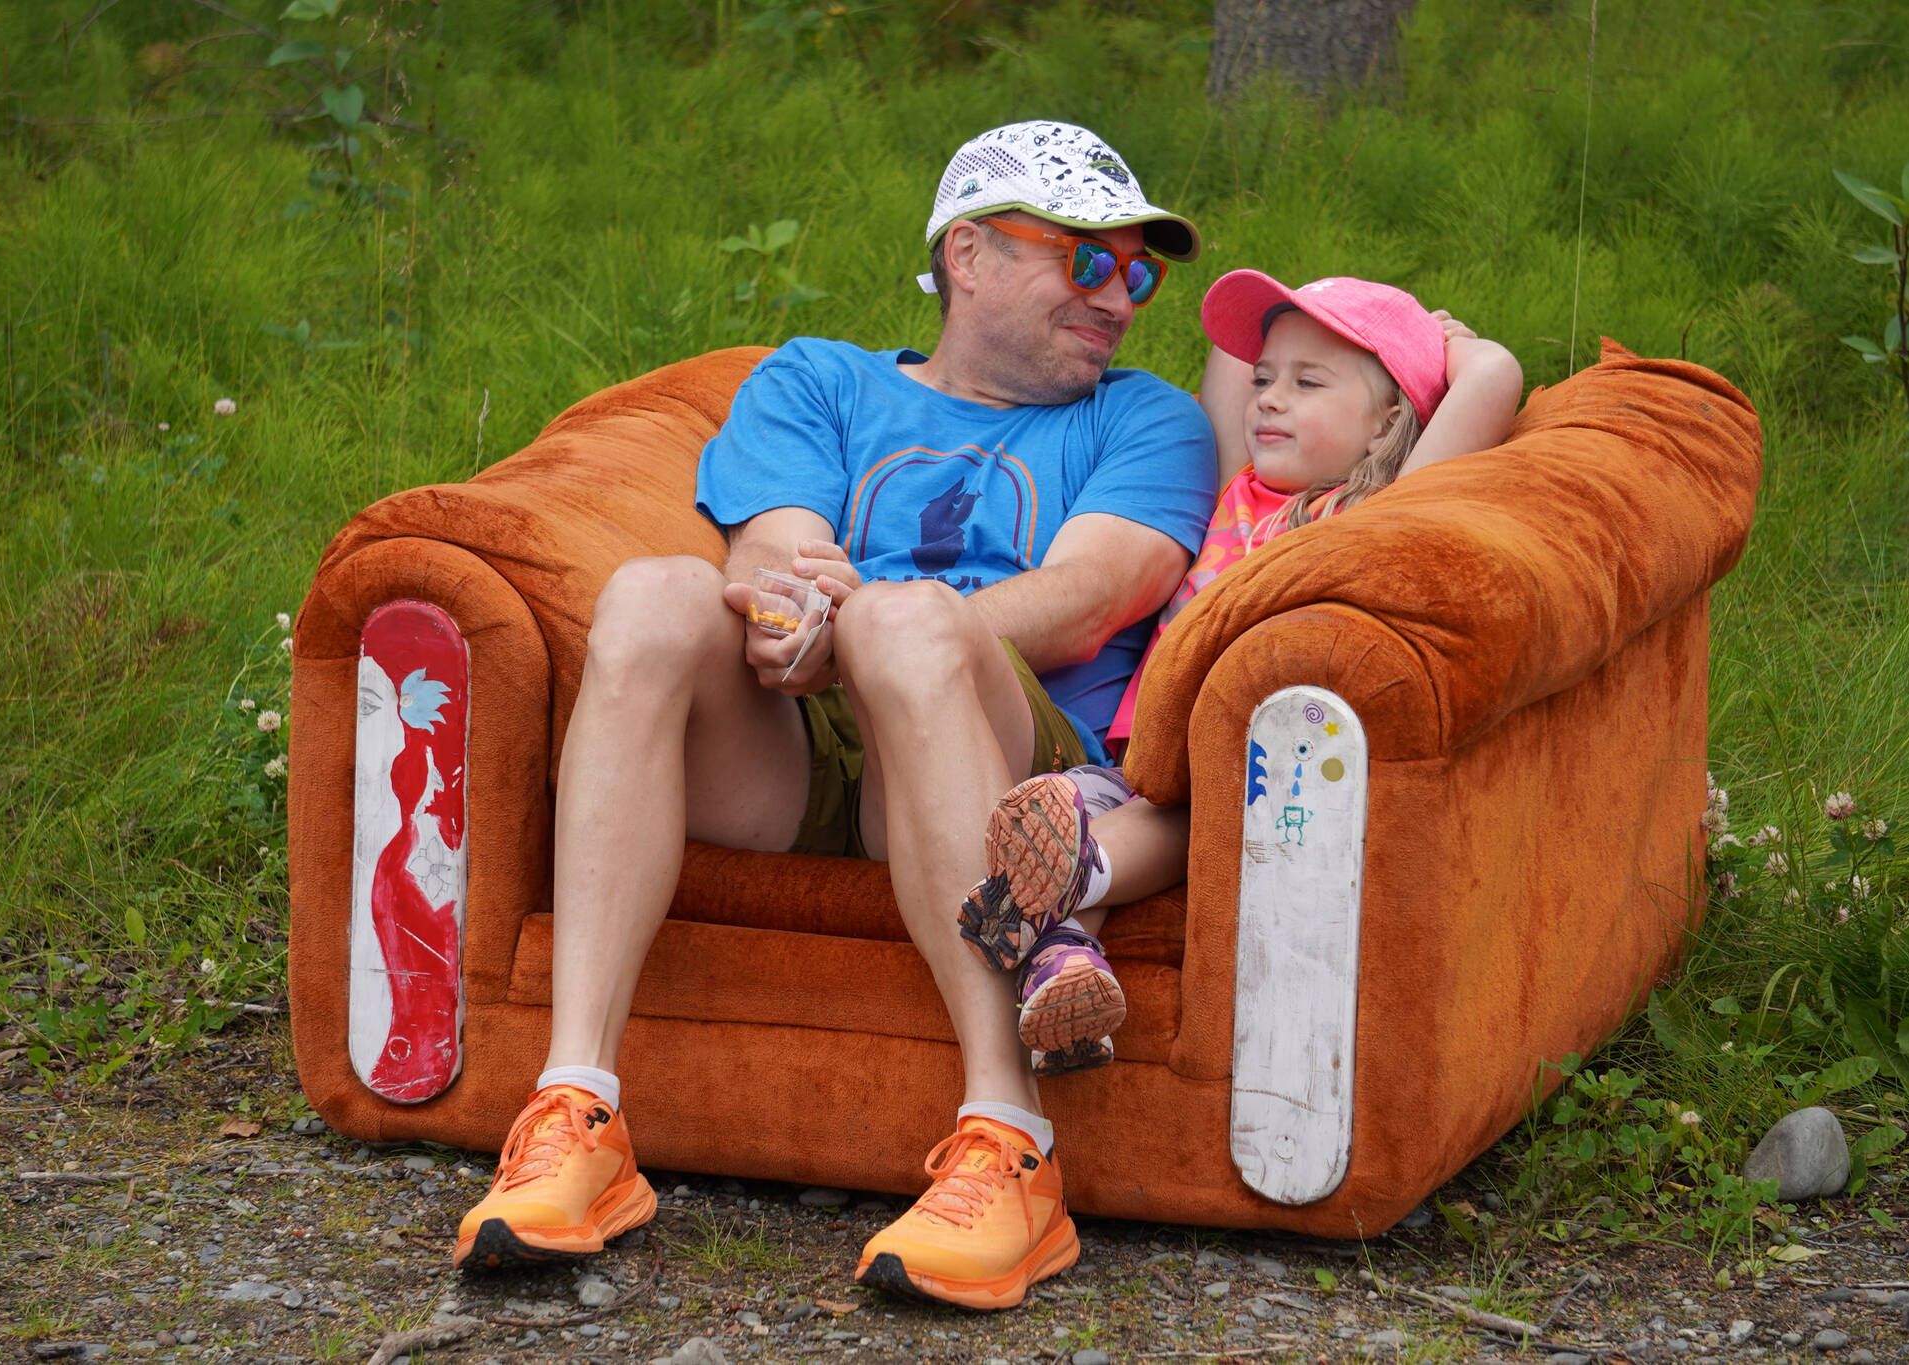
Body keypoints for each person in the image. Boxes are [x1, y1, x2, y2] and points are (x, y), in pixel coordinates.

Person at [449, 120, 1220, 1311]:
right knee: (653, 597)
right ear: (967, 256)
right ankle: (574, 1110)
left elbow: (1085, 599)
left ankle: (1011, 1143)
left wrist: (867, 631)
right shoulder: (817, 378)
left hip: (1004, 747)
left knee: (903, 624)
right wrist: (795, 612)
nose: (1119, 298)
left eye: (1137, 273)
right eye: (1086, 262)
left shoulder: (1145, 417)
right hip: (808, 750)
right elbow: (772, 541)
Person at [957, 270, 1525, 1074]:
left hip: (1247, 771)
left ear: (1388, 420)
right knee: (1064, 805)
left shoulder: (1381, 512)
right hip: (1138, 755)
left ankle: (1052, 887)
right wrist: (1299, 322)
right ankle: (1064, 964)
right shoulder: (1236, 491)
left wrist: (1444, 343)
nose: (1268, 399)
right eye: (1267, 379)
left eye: (1307, 382)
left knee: (1161, 823)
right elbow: (1228, 355)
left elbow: (1494, 375)